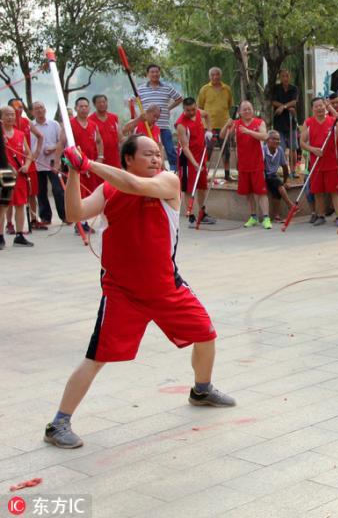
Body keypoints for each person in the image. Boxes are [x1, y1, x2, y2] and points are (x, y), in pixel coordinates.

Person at [45, 135, 235, 449]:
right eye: (147, 155)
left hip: (166, 288)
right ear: (128, 159)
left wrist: (89, 163)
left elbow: (134, 186)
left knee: (206, 334)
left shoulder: (168, 182)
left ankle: (202, 389)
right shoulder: (108, 190)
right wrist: (75, 173)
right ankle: (58, 423)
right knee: (95, 358)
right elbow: (74, 214)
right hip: (122, 294)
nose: (155, 159)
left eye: (158, 154)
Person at [221, 101, 271, 229]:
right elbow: (223, 136)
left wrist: (248, 132)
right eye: (244, 109)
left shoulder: (259, 122)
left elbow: (265, 136)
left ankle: (265, 217)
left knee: (261, 192)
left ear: (253, 110)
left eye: (249, 109)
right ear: (240, 112)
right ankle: (253, 216)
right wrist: (227, 125)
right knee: (248, 192)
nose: (247, 111)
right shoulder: (236, 124)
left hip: (257, 163)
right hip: (243, 164)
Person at [61, 98, 104, 235]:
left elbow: (99, 141)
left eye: (86, 106)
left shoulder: (92, 124)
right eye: (81, 106)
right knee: (79, 192)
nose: (84, 108)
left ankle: (84, 221)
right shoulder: (70, 125)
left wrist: (100, 157)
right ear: (76, 108)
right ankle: (80, 223)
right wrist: (57, 161)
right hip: (76, 165)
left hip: (90, 164)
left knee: (89, 191)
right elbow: (62, 142)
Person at [301, 97, 338, 225]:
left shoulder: (332, 121)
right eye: (316, 106)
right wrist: (312, 149)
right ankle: (320, 216)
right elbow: (302, 143)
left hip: (331, 162)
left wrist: (335, 114)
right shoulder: (308, 123)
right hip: (316, 163)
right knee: (317, 191)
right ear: (312, 109)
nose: (319, 108)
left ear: (325, 107)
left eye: (321, 106)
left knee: (334, 191)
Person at [174, 98, 215, 224]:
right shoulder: (181, 124)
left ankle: (202, 213)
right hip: (188, 159)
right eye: (188, 110)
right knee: (189, 188)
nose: (191, 112)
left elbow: (207, 115)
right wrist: (195, 164)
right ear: (183, 109)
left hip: (201, 155)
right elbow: (185, 148)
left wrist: (209, 131)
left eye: (193, 109)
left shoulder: (198, 112)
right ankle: (190, 216)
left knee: (202, 186)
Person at [136, 64, 183, 170]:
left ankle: (174, 171)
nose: (155, 74)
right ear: (148, 74)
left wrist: (168, 108)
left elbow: (179, 98)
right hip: (147, 127)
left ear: (159, 73)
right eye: (152, 72)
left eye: (157, 72)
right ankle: (151, 170)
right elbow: (134, 102)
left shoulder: (167, 88)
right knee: (148, 150)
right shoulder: (141, 89)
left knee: (170, 150)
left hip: (163, 125)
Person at [1, 105, 34, 247]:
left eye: (13, 114)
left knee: (20, 205)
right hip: (4, 175)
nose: (10, 117)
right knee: (2, 206)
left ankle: (19, 235)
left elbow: (29, 154)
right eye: (7, 114)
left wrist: (26, 165)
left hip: (20, 175)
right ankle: (0, 236)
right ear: (1, 118)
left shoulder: (20, 134)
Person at [10, 99, 44, 231]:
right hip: (11, 164)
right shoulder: (5, 123)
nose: (19, 109)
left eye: (21, 106)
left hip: (28, 163)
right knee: (11, 195)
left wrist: (35, 154)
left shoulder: (26, 122)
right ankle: (10, 223)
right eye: (16, 106)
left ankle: (34, 219)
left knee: (32, 192)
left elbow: (40, 136)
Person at [31, 101, 67, 225]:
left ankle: (65, 215)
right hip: (37, 164)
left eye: (42, 107)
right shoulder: (30, 126)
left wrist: (52, 149)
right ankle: (45, 217)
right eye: (36, 109)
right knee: (41, 192)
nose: (40, 110)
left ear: (45, 110)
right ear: (32, 112)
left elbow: (61, 142)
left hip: (53, 163)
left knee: (58, 190)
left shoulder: (54, 124)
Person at [198, 67, 235, 181]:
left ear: (220, 75)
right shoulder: (204, 89)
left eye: (217, 74)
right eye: (213, 75)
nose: (215, 77)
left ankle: (227, 174)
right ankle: (205, 174)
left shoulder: (227, 89)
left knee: (226, 151)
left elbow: (229, 105)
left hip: (224, 125)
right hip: (209, 126)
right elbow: (199, 107)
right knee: (208, 150)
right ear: (210, 76)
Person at [272, 69, 300, 177]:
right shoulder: (276, 88)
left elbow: (294, 102)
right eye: (283, 76)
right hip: (279, 122)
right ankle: (284, 170)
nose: (285, 78)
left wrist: (283, 107)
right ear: (280, 77)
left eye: (287, 76)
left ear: (290, 77)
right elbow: (273, 101)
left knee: (293, 147)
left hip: (291, 121)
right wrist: (287, 107)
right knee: (281, 148)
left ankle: (293, 171)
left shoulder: (294, 88)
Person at [263, 131, 296, 221]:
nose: (276, 141)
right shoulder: (263, 149)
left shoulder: (280, 150)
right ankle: (290, 205)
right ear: (268, 140)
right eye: (273, 139)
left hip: (273, 177)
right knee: (277, 182)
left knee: (277, 189)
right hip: (263, 175)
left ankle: (276, 216)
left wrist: (285, 182)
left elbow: (285, 167)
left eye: (278, 139)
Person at [88, 94, 121, 168]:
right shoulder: (90, 120)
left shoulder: (114, 117)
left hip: (114, 158)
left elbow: (120, 137)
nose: (102, 104)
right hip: (99, 159)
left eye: (104, 102)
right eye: (99, 102)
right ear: (94, 105)